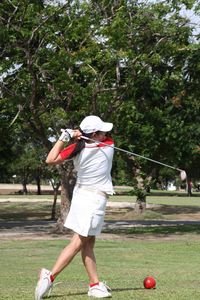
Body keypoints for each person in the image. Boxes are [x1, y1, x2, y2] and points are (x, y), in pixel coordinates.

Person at [35, 115, 114, 299]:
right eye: (102, 131)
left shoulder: (77, 148)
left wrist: (66, 136)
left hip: (83, 196)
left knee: (88, 242)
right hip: (92, 200)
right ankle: (50, 275)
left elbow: (50, 159)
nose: (106, 134)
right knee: (78, 242)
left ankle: (94, 285)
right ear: (94, 134)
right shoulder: (108, 146)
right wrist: (78, 136)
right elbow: (106, 139)